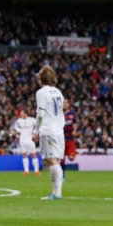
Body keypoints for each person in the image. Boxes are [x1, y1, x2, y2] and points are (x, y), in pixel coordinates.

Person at [35, 65, 65, 200]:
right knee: (55, 161)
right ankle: (57, 190)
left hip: (48, 130)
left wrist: (36, 129)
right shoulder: (58, 92)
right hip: (59, 130)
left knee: (51, 161)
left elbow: (40, 114)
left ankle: (56, 192)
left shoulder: (41, 92)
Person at [11, 108, 39, 175]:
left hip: (30, 139)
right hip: (22, 139)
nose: (21, 115)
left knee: (33, 154)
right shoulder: (19, 121)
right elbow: (15, 127)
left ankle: (36, 171)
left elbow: (37, 125)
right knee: (24, 154)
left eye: (22, 113)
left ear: (26, 114)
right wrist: (19, 131)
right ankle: (26, 171)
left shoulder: (32, 120)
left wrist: (35, 132)